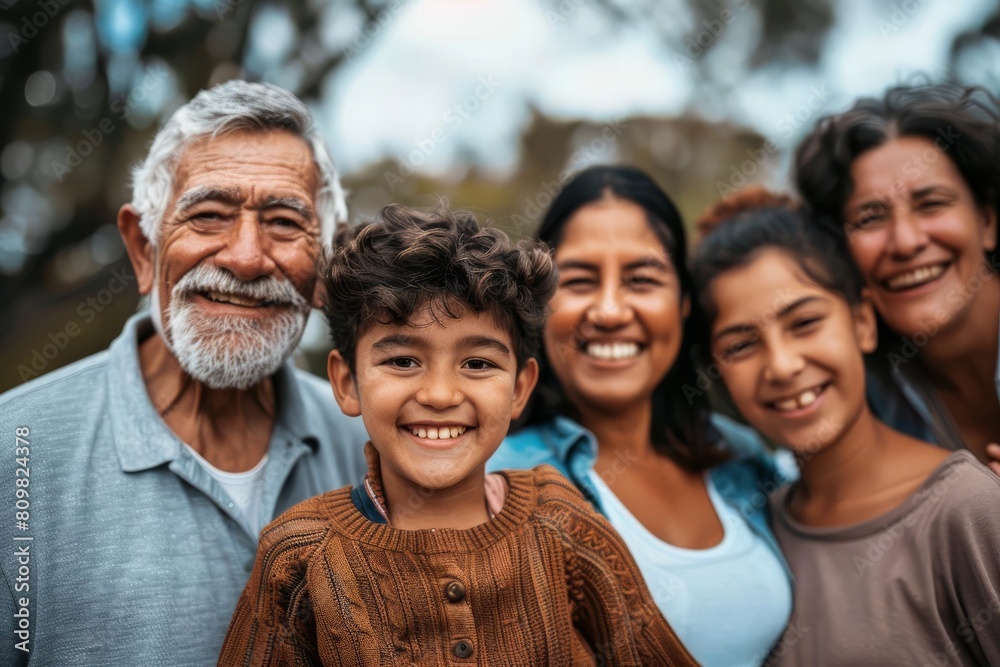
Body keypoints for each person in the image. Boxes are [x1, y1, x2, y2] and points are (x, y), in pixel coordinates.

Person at [218, 205, 698, 667]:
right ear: (347, 383)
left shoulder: (560, 520)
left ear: (520, 389)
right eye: (403, 360)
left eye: (478, 363)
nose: (441, 394)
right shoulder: (300, 555)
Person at [0, 80, 369, 666]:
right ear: (143, 250)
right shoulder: (14, 453)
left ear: (324, 269)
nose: (245, 258)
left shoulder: (368, 446)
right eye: (208, 215)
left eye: (282, 223)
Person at [489, 165, 795, 667]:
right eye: (580, 280)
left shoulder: (741, 455)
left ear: (683, 305)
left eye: (642, 279)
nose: (609, 311)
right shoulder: (499, 482)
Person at [692, 207, 1000, 666]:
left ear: (862, 323)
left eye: (805, 323)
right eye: (741, 345)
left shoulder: (967, 507)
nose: (782, 365)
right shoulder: (753, 537)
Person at [794, 83, 1000, 462]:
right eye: (870, 218)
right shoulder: (857, 390)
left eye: (932, 203)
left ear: (987, 222)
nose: (905, 242)